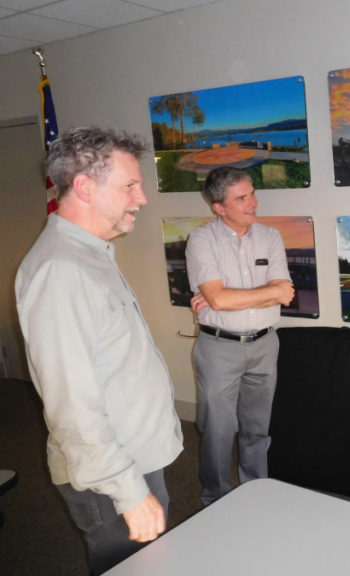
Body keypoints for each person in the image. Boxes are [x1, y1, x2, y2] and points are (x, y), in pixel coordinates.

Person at [15, 127, 183, 575]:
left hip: (131, 457)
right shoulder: (60, 270)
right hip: (110, 476)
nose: (142, 198)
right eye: (130, 185)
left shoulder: (89, 255)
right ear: (86, 187)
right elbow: (72, 407)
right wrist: (129, 493)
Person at [185, 166, 294, 506]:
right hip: (219, 347)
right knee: (218, 430)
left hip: (265, 344)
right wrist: (266, 293)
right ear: (219, 207)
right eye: (242, 198)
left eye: (252, 193)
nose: (253, 202)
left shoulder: (270, 237)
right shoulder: (202, 241)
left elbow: (287, 292)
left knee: (257, 427)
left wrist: (227, 296)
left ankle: (255, 490)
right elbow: (218, 299)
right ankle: (214, 498)